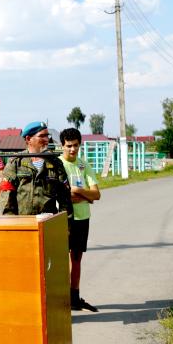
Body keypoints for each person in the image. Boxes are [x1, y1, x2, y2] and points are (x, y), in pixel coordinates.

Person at [59, 128, 101, 312]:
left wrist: (79, 192)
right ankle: (59, 299)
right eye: (69, 146)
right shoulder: (57, 165)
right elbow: (60, 196)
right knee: (59, 260)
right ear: (62, 145)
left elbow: (97, 194)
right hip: (61, 218)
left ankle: (74, 297)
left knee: (76, 258)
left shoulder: (84, 165)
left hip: (82, 217)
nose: (72, 150)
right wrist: (86, 196)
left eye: (76, 145)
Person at [1, 121, 73, 219]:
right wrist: (11, 224)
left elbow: (65, 199)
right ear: (28, 139)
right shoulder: (15, 163)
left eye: (47, 136)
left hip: (48, 223)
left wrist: (65, 226)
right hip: (23, 224)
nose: (47, 139)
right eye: (42, 136)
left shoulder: (56, 163)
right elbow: (7, 199)